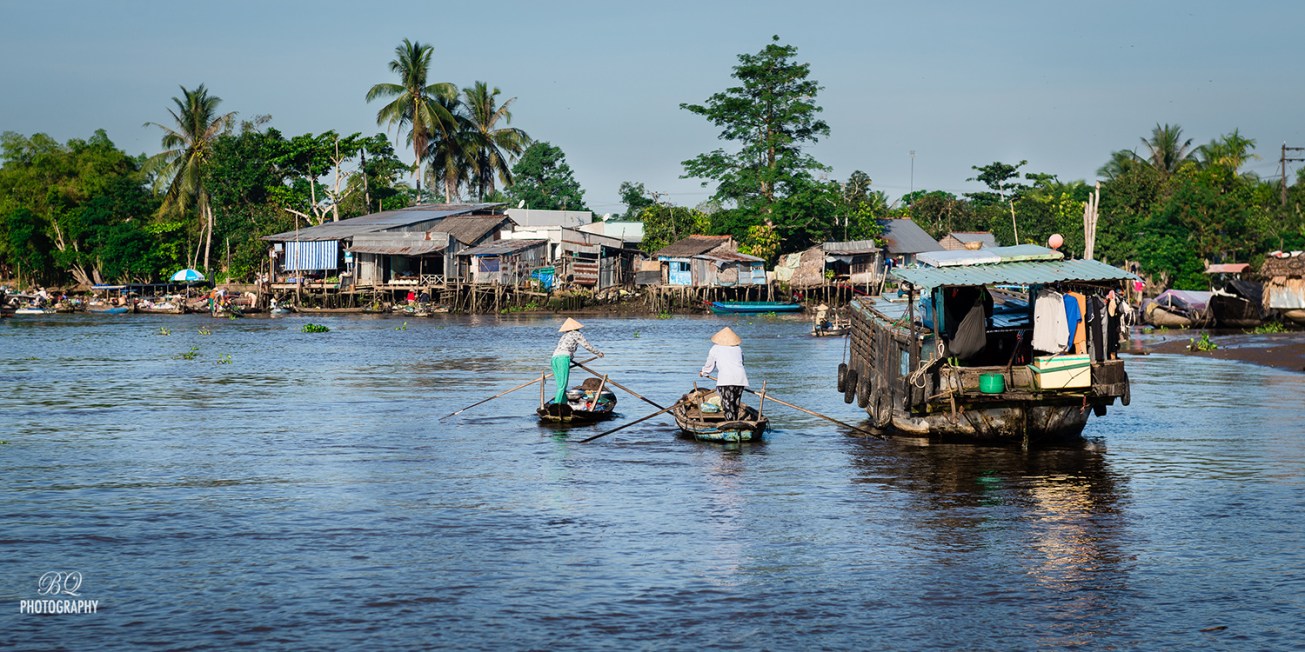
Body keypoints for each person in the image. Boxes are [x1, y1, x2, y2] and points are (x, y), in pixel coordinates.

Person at [699, 327, 749, 420]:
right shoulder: (738, 348)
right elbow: (742, 363)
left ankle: (730, 425)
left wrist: (703, 372)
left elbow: (709, 365)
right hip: (740, 379)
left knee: (727, 405)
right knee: (735, 404)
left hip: (726, 380)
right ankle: (735, 422)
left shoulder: (715, 348)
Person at [551, 318, 604, 405]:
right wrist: (598, 353)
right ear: (576, 328)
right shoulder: (576, 334)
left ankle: (563, 403)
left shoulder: (564, 336)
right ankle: (557, 405)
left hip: (554, 358)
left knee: (560, 385)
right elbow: (586, 345)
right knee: (562, 385)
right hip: (563, 359)